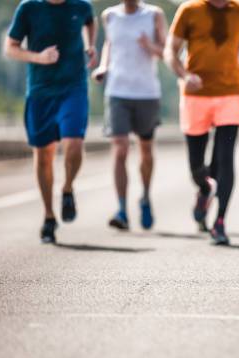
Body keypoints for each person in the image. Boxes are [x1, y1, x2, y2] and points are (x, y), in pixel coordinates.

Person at [164, 0, 239, 245]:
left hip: (231, 94)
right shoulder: (189, 10)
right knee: (196, 168)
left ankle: (220, 222)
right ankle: (205, 189)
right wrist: (184, 75)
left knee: (225, 158)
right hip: (195, 96)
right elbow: (170, 51)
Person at [4, 0, 97, 244]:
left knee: (74, 142)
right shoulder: (29, 8)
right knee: (44, 155)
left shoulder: (81, 6)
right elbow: (10, 48)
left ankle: (67, 188)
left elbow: (90, 20)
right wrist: (39, 57)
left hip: (73, 88)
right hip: (41, 91)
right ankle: (48, 216)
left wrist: (91, 45)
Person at [92, 0, 166, 231]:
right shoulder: (109, 16)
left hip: (146, 93)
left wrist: (149, 46)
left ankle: (144, 196)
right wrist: (104, 66)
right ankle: (122, 210)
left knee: (145, 150)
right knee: (120, 147)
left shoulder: (154, 14)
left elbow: (166, 52)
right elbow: (109, 45)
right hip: (117, 92)